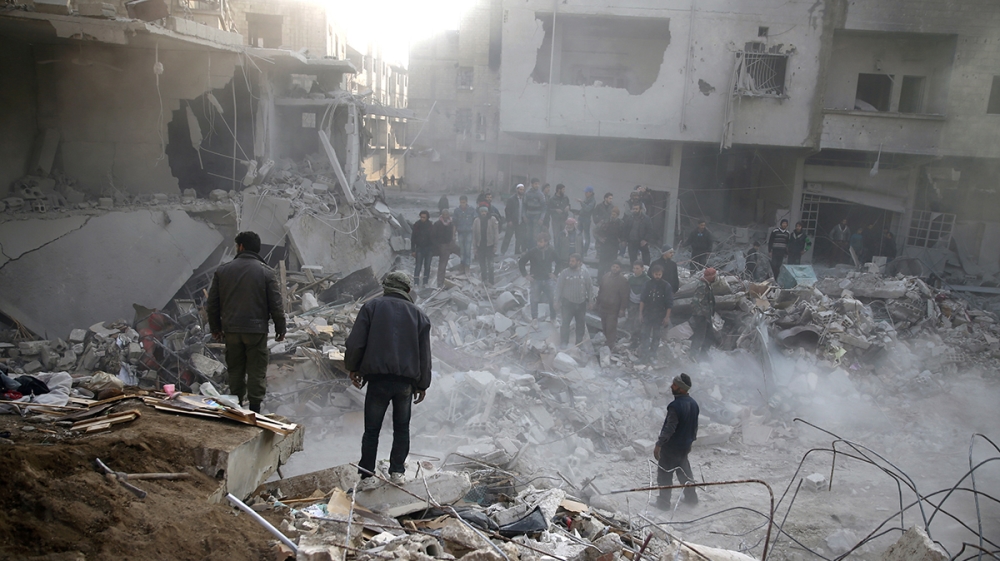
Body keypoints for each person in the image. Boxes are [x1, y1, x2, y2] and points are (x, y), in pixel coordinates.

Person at [345, 271, 431, 490]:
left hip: (378, 380)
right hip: (405, 383)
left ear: (386, 286)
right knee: (402, 428)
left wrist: (353, 367)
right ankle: (397, 472)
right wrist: (423, 384)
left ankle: (366, 476)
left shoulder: (371, 308)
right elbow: (425, 355)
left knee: (372, 429)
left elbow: (356, 343)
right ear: (407, 289)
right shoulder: (419, 315)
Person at [207, 231, 286, 413]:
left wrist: (215, 328)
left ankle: (236, 409)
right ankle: (255, 411)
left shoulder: (223, 271)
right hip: (256, 331)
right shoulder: (266, 272)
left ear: (241, 246)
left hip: (232, 330)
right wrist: (281, 328)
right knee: (256, 370)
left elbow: (212, 304)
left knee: (235, 369)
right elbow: (276, 304)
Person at [653, 373, 699, 508]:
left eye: (674, 385)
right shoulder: (694, 404)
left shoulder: (675, 406)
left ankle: (663, 503)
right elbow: (694, 427)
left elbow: (669, 428)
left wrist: (659, 444)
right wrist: (691, 442)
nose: (671, 387)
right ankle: (692, 499)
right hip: (684, 447)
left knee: (664, 475)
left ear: (681, 388)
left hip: (671, 447)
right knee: (684, 473)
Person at [633, 264, 673, 361]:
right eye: (656, 274)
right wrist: (640, 314)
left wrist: (667, 317)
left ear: (662, 274)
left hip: (659, 315)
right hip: (648, 314)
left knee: (656, 336)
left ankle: (652, 355)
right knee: (645, 335)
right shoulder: (647, 284)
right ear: (652, 274)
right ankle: (644, 356)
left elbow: (669, 303)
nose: (657, 276)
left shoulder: (666, 286)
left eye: (659, 274)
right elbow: (642, 300)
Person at [555, 253, 593, 348]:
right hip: (568, 303)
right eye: (570, 261)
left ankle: (579, 343)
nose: (570, 263)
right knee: (565, 323)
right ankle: (564, 343)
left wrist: (591, 301)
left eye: (573, 261)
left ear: (579, 262)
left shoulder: (585, 273)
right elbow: (558, 288)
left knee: (580, 324)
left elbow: (590, 288)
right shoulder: (564, 273)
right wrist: (556, 301)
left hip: (581, 304)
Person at [518, 233, 558, 322]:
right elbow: (521, 262)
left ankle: (553, 318)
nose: (538, 244)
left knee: (552, 299)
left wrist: (555, 273)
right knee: (534, 300)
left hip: (548, 279)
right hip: (536, 280)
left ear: (546, 242)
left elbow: (559, 262)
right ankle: (534, 319)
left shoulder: (551, 251)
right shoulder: (532, 252)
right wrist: (525, 275)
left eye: (541, 242)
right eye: (538, 242)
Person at [596, 261, 630, 350]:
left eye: (617, 267)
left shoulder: (623, 280)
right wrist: (597, 303)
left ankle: (610, 346)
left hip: (613, 309)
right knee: (604, 326)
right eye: (613, 266)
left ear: (620, 269)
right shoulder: (605, 276)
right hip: (603, 307)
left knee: (611, 328)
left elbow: (624, 296)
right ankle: (605, 343)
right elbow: (600, 291)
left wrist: (622, 309)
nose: (615, 268)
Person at [689, 268, 717, 360]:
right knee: (699, 335)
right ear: (710, 277)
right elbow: (696, 302)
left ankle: (703, 354)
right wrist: (701, 314)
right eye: (714, 276)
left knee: (710, 335)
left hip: (706, 315)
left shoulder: (707, 285)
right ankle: (693, 355)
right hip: (701, 316)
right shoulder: (702, 286)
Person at [473, 205, 499, 285]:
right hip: (480, 246)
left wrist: (495, 246)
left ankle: (491, 281)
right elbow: (474, 235)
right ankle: (484, 280)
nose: (483, 213)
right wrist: (474, 248)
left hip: (490, 246)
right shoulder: (476, 221)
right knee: (482, 265)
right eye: (482, 212)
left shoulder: (492, 219)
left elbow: (496, 234)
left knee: (490, 265)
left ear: (487, 212)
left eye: (485, 211)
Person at [595, 206, 624, 276]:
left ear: (618, 215)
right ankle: (600, 279)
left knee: (612, 263)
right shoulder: (605, 221)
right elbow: (595, 231)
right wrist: (600, 238)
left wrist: (621, 241)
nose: (613, 216)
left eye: (615, 215)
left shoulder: (621, 223)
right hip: (604, 245)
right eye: (612, 214)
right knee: (602, 263)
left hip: (614, 246)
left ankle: (610, 278)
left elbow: (623, 234)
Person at [433, 209, 459, 287]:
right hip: (443, 246)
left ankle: (464, 273)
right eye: (443, 215)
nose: (445, 216)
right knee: (442, 265)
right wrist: (438, 245)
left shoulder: (451, 223)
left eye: (446, 215)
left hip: (451, 244)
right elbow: (433, 236)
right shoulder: (437, 224)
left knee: (462, 253)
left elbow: (454, 232)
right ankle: (440, 282)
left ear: (448, 215)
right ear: (441, 215)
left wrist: (453, 241)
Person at [453, 196, 477, 275]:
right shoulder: (457, 211)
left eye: (464, 202)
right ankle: (462, 266)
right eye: (461, 202)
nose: (462, 204)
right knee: (462, 250)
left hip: (469, 232)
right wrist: (454, 234)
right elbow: (454, 223)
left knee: (468, 250)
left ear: (466, 202)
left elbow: (475, 221)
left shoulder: (472, 210)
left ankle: (467, 267)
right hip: (460, 232)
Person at [410, 211, 435, 287]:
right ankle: (416, 282)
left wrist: (434, 249)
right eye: (421, 217)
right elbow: (413, 238)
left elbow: (434, 238)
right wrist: (413, 250)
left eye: (424, 217)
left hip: (429, 249)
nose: (422, 219)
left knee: (427, 266)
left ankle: (425, 282)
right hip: (419, 248)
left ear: (427, 217)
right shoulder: (417, 225)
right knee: (418, 266)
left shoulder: (430, 225)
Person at [502, 184, 527, 255]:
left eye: (523, 190)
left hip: (521, 221)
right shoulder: (511, 199)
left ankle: (517, 251)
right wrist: (509, 220)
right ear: (517, 190)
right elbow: (507, 210)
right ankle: (503, 251)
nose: (522, 191)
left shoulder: (524, 199)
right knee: (508, 237)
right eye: (520, 189)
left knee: (519, 237)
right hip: (512, 221)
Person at [626, 260, 649, 334]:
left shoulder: (647, 280)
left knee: (638, 321)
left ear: (642, 268)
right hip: (632, 302)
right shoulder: (631, 279)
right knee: (630, 319)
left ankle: (637, 337)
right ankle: (629, 335)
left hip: (641, 304)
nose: (635, 270)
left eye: (637, 268)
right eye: (634, 268)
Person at [524, 180, 546, 246]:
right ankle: (528, 249)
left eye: (538, 184)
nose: (537, 185)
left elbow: (544, 208)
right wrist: (524, 216)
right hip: (528, 216)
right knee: (528, 234)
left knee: (535, 235)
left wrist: (541, 218)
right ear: (532, 184)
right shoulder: (527, 193)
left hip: (537, 216)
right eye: (535, 184)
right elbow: (524, 206)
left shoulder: (540, 194)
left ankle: (535, 249)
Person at [577, 186, 596, 255]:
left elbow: (587, 209)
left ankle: (585, 251)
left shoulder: (593, 201)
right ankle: (579, 249)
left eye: (587, 192)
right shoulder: (587, 198)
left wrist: (581, 202)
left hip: (586, 219)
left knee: (586, 235)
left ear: (590, 193)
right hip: (581, 218)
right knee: (578, 234)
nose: (585, 193)